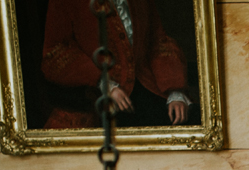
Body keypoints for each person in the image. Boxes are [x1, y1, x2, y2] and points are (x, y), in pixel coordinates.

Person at [40, 0, 192, 129]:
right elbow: (55, 52)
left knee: (189, 124)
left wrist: (175, 90)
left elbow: (157, 40)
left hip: (145, 88)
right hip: (92, 97)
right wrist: (104, 83)